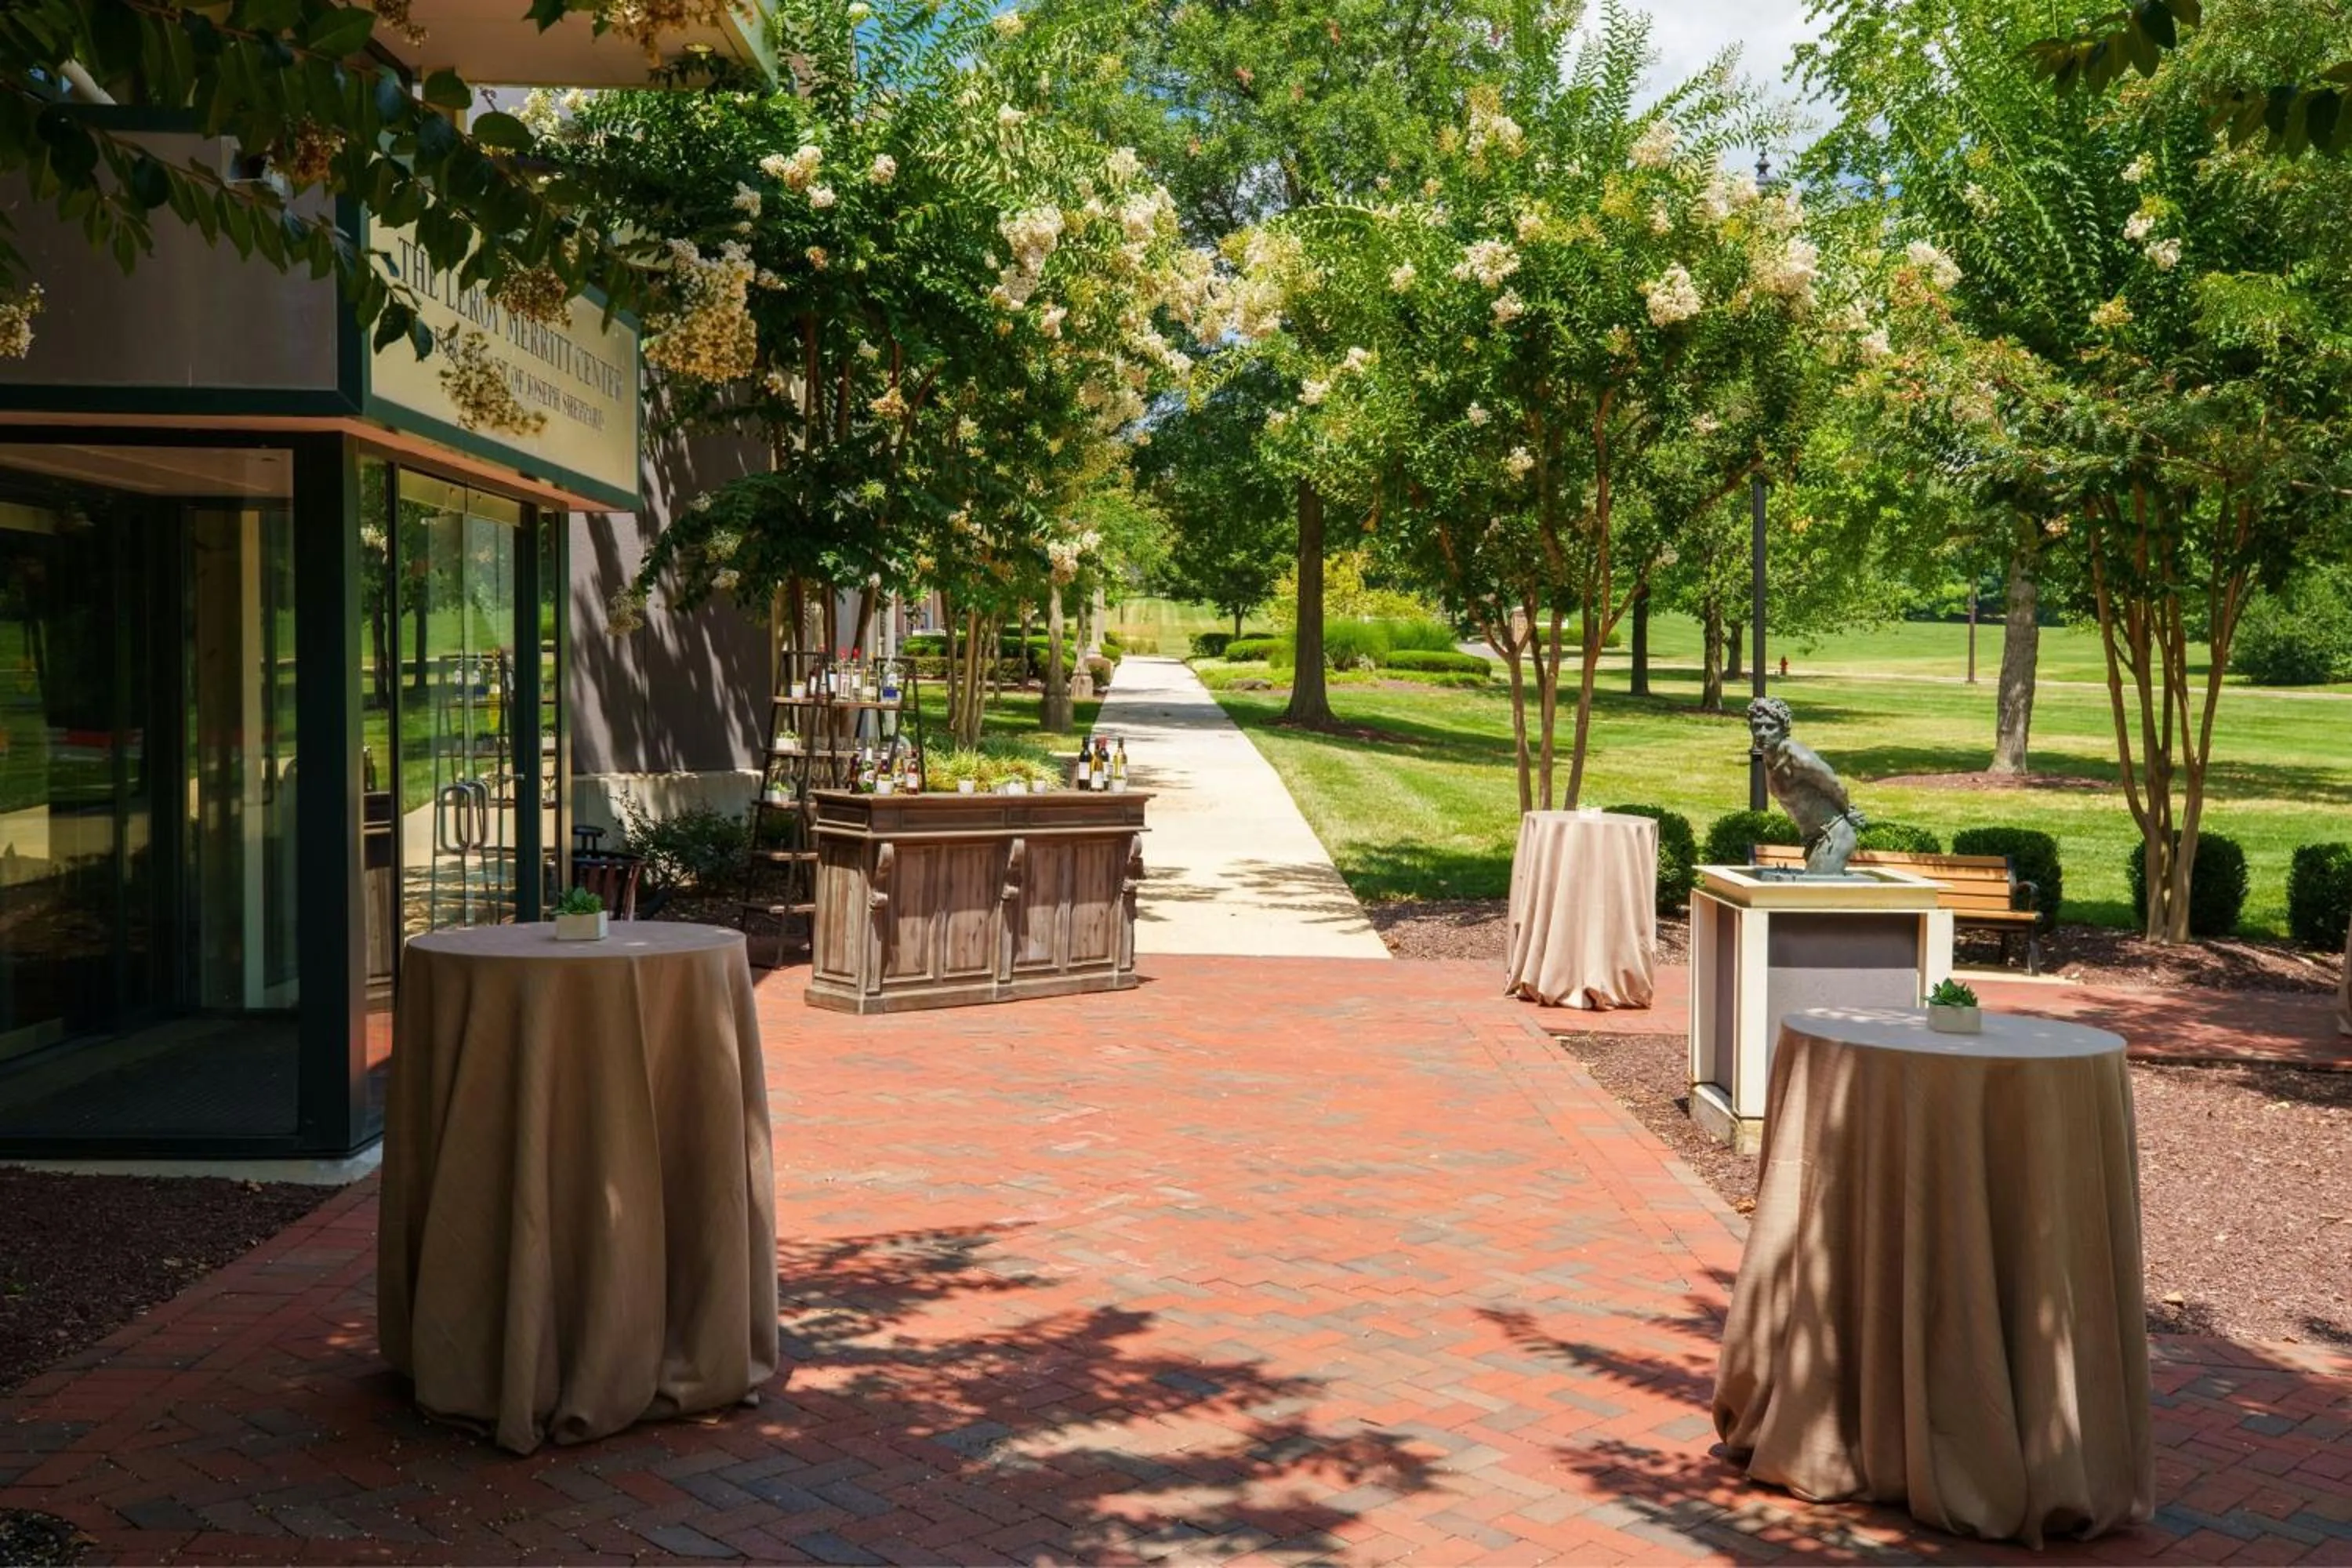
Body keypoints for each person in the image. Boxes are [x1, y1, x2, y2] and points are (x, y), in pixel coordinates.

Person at [1748, 696, 1866, 874]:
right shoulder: (1769, 756)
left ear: (1783, 729)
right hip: (1814, 840)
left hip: (1833, 836)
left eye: (1770, 727)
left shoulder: (1799, 759)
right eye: (1757, 726)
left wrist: (1847, 812)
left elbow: (1836, 785)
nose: (1762, 733)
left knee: (1813, 895)